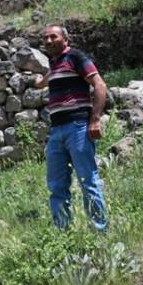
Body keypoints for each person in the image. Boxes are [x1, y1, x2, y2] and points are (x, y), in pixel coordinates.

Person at [36, 23, 108, 231]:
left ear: (66, 40)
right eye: (45, 38)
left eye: (53, 36)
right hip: (56, 131)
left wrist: (95, 119)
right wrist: (38, 82)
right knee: (56, 185)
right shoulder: (55, 64)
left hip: (78, 127)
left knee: (87, 180)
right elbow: (45, 80)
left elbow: (100, 85)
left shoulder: (75, 57)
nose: (48, 41)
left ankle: (100, 232)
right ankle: (62, 235)